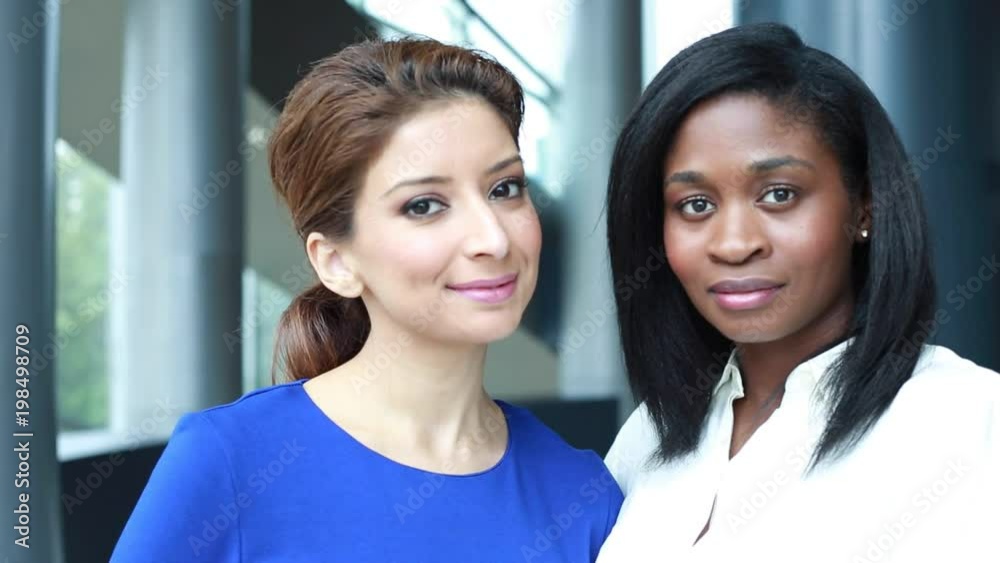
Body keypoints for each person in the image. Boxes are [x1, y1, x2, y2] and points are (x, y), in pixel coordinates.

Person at [111, 38, 622, 562]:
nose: (492, 238)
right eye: (424, 205)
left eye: (505, 188)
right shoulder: (228, 462)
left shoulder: (581, 494)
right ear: (336, 261)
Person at [597, 23, 999, 562]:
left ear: (865, 206)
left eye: (779, 194)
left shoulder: (970, 421)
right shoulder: (648, 436)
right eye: (695, 205)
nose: (734, 243)